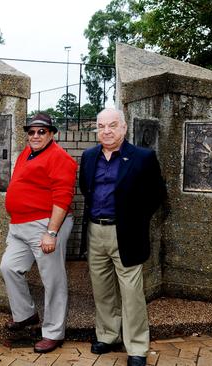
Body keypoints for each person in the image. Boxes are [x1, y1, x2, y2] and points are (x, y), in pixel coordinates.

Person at [79, 108, 166, 366]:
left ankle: (137, 347)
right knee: (102, 289)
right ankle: (107, 335)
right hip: (96, 231)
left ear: (124, 128)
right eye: (101, 126)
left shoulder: (143, 157)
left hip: (126, 233)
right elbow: (87, 189)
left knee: (131, 293)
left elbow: (156, 194)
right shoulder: (89, 156)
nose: (106, 131)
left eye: (112, 125)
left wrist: (135, 219)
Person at [0, 113, 77, 353]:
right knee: (9, 267)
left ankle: (53, 332)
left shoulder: (60, 158)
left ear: (52, 134)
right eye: (31, 131)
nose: (35, 135)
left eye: (41, 131)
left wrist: (51, 233)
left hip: (45, 225)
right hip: (20, 226)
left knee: (53, 280)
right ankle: (26, 315)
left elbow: (63, 198)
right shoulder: (27, 152)